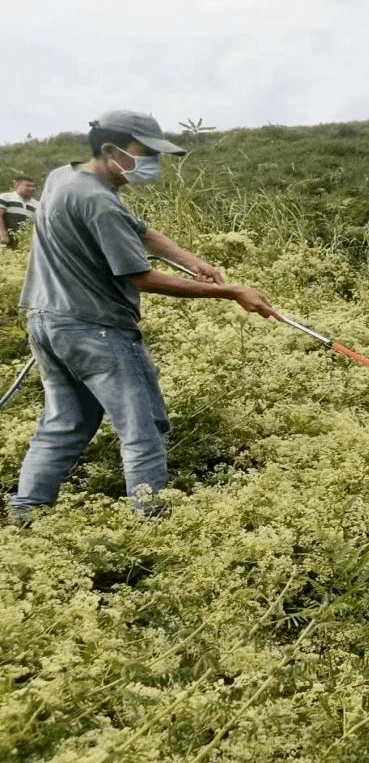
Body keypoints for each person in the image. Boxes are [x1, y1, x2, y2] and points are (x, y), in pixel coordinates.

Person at [6, 110, 280, 524]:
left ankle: (26, 512)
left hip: (47, 322)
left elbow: (142, 231)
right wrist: (230, 292)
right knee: (143, 430)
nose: (151, 161)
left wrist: (193, 260)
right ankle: (151, 523)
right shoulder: (99, 203)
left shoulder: (65, 176)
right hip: (95, 330)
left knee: (65, 423)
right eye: (145, 152)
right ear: (113, 150)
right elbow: (142, 278)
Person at [0, 176, 39, 249]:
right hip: (4, 240)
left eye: (33, 186)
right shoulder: (5, 197)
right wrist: (2, 234)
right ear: (17, 185)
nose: (31, 188)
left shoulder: (37, 204)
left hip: (23, 243)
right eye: (27, 186)